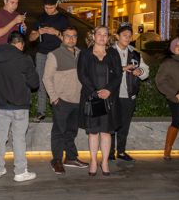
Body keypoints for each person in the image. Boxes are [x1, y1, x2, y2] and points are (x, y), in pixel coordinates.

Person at [0, 31, 40, 182]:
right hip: (19, 105)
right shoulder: (24, 59)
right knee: (18, 138)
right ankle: (20, 171)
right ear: (21, 44)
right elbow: (34, 83)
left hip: (0, 104)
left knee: (0, 136)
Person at [77, 25, 122, 176]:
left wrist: (108, 90)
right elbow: (82, 75)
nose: (102, 37)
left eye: (105, 34)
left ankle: (104, 162)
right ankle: (94, 162)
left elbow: (118, 75)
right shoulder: (85, 54)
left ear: (108, 37)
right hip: (93, 98)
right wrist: (95, 92)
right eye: (99, 34)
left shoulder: (113, 54)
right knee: (93, 132)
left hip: (109, 98)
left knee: (106, 132)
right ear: (93, 36)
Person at [42, 26, 88, 174]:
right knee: (59, 132)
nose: (71, 39)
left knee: (71, 131)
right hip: (61, 100)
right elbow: (46, 78)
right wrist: (54, 97)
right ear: (62, 37)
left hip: (78, 100)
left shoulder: (82, 54)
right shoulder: (54, 54)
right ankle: (56, 161)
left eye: (74, 36)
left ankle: (71, 157)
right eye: (68, 36)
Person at [109, 22, 150, 162]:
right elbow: (103, 71)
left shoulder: (135, 53)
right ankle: (109, 152)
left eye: (129, 35)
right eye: (124, 35)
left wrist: (140, 72)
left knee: (124, 125)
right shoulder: (109, 51)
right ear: (117, 36)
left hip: (128, 95)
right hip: (112, 95)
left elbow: (146, 72)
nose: (127, 38)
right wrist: (122, 68)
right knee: (111, 124)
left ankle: (121, 151)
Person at [29, 0, 69, 122]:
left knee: (58, 83)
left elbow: (69, 40)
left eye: (51, 7)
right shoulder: (40, 18)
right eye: (46, 7)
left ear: (56, 5)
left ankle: (59, 111)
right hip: (42, 54)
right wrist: (38, 32)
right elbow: (31, 38)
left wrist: (56, 32)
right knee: (41, 82)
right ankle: (41, 111)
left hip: (57, 54)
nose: (48, 10)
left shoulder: (63, 19)